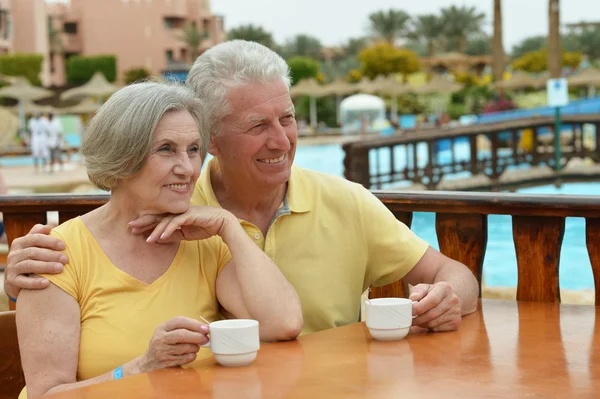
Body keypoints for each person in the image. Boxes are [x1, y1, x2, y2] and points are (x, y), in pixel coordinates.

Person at [5, 40, 478, 336]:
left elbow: (452, 273)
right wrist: (19, 281)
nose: (282, 140)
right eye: (257, 125)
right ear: (211, 137)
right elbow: (100, 262)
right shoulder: (173, 209)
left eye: (287, 117)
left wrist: (448, 298)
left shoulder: (345, 200)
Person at [14, 82, 303, 398]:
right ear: (123, 157)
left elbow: (284, 324)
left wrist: (229, 225)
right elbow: (45, 395)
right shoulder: (55, 254)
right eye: (166, 149)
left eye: (193, 149)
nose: (187, 168)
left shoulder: (206, 241)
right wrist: (141, 368)